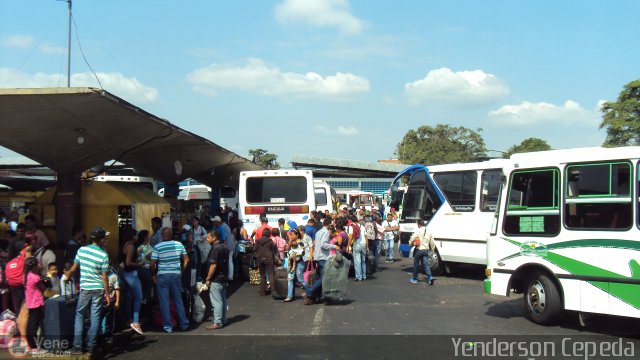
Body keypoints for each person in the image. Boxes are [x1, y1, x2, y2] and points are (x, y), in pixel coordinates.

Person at [66, 226, 111, 356]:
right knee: (95, 316)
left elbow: (73, 268)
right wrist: (107, 294)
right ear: (101, 239)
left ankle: (77, 346)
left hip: (85, 288)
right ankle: (92, 346)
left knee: (80, 315)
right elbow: (104, 276)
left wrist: (67, 277)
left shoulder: (81, 250)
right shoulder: (103, 255)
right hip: (98, 288)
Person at [151, 227, 190, 333]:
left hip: (162, 276)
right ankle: (184, 323)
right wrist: (181, 271)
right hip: (176, 275)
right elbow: (186, 260)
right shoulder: (179, 245)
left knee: (164, 302)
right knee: (178, 300)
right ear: (172, 235)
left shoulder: (157, 247)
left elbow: (152, 264)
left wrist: (153, 275)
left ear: (162, 236)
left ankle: (168, 326)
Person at [303, 218, 339, 305]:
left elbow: (316, 243)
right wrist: (334, 246)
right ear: (329, 225)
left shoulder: (318, 232)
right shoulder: (325, 232)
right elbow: (323, 245)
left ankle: (317, 297)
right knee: (324, 279)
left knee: (320, 278)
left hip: (318, 257)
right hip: (323, 257)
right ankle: (309, 292)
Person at [203, 229, 228, 330]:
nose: (207, 239)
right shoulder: (224, 247)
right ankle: (223, 320)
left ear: (214, 238)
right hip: (223, 277)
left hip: (216, 278)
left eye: (209, 237)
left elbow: (213, 265)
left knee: (217, 301)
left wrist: (208, 278)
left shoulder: (215, 249)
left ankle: (217, 322)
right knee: (222, 300)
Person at [121, 228, 144, 335]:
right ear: (133, 236)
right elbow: (128, 262)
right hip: (131, 274)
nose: (137, 237)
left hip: (125, 273)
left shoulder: (125, 244)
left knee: (128, 297)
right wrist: (139, 264)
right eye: (136, 235)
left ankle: (128, 319)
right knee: (138, 297)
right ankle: (135, 322)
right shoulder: (131, 247)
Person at [24, 256, 44, 353]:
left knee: (30, 323)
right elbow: (42, 288)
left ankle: (30, 344)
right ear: (34, 266)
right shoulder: (36, 277)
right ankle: (34, 346)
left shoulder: (26, 276)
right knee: (34, 326)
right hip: (37, 302)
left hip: (30, 302)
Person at [409, 219, 435, 285]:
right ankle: (430, 277)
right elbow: (432, 242)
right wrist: (432, 250)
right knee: (426, 265)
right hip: (426, 250)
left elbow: (412, 237)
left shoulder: (418, 231)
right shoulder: (429, 231)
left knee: (416, 265)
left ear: (419, 224)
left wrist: (410, 243)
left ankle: (414, 279)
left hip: (419, 250)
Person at [101, 263, 121, 346]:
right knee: (98, 319)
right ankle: (101, 337)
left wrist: (117, 302)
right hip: (100, 301)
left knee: (109, 320)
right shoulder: (98, 275)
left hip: (111, 301)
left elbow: (117, 289)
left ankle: (108, 337)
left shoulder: (113, 276)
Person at [253, 228, 276, 296]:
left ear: (262, 233)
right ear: (269, 234)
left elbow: (254, 249)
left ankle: (263, 292)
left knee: (262, 275)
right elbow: (274, 251)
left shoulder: (257, 241)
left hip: (259, 259)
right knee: (271, 275)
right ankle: (273, 292)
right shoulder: (270, 241)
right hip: (268, 259)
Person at [283, 229, 304, 302]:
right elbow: (287, 249)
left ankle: (310, 292)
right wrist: (290, 241)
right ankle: (289, 296)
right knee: (290, 279)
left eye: (292, 235)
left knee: (300, 278)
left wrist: (296, 256)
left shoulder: (300, 243)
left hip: (299, 262)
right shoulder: (291, 241)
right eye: (291, 234)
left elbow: (302, 252)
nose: (291, 236)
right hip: (291, 263)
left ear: (297, 235)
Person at [136, 230, 153, 305]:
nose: (150, 236)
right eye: (148, 235)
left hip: (147, 269)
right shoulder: (142, 247)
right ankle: (144, 308)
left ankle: (145, 307)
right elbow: (150, 256)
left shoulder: (147, 245)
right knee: (146, 289)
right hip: (144, 270)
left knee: (147, 289)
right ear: (145, 237)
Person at [349, 216, 367, 281]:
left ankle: (359, 277)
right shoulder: (362, 226)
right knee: (363, 261)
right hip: (363, 244)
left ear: (351, 220)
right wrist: (367, 247)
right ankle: (364, 276)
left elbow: (350, 236)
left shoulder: (351, 226)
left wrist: (348, 245)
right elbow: (366, 237)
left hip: (357, 244)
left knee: (357, 262)